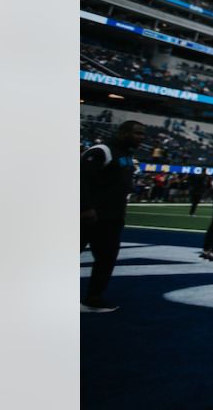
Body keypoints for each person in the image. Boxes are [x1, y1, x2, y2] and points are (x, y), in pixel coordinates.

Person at [81, 120, 147, 312]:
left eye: (143, 134)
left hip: (112, 217)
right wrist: (85, 207)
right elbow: (80, 178)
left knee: (106, 258)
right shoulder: (102, 150)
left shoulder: (126, 154)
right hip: (89, 216)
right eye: (137, 133)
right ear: (123, 132)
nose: (141, 138)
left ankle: (93, 298)